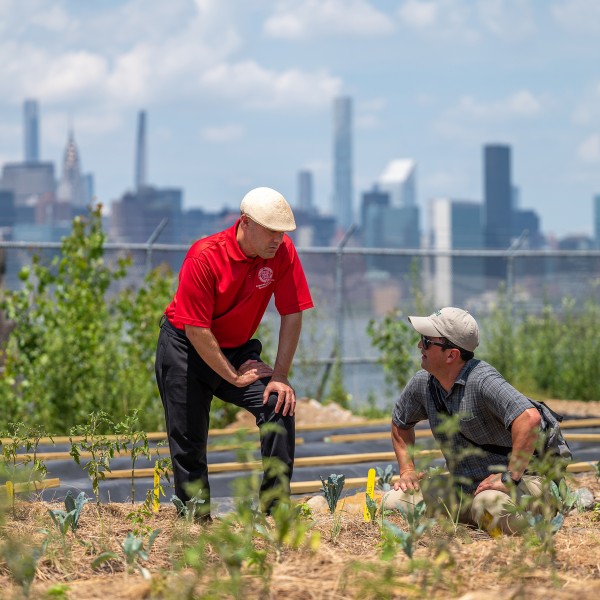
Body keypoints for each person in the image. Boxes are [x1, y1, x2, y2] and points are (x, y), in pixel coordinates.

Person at [155, 186, 313, 520]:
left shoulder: (282, 252)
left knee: (278, 404)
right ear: (246, 223)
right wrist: (231, 376)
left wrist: (281, 376)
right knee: (189, 439)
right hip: (185, 346)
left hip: (237, 347)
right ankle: (196, 523)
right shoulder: (205, 256)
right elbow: (197, 330)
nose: (278, 239)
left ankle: (275, 512)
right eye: (271, 231)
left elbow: (293, 311)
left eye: (283, 233)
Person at [383, 307, 548, 535]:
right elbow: (401, 422)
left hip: (520, 483)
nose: (419, 346)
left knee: (489, 507)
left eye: (427, 341)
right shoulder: (423, 384)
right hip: (464, 486)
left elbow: (529, 418)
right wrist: (407, 470)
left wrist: (510, 476)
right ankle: (475, 516)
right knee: (394, 502)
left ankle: (533, 514)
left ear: (451, 355)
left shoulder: (482, 380)